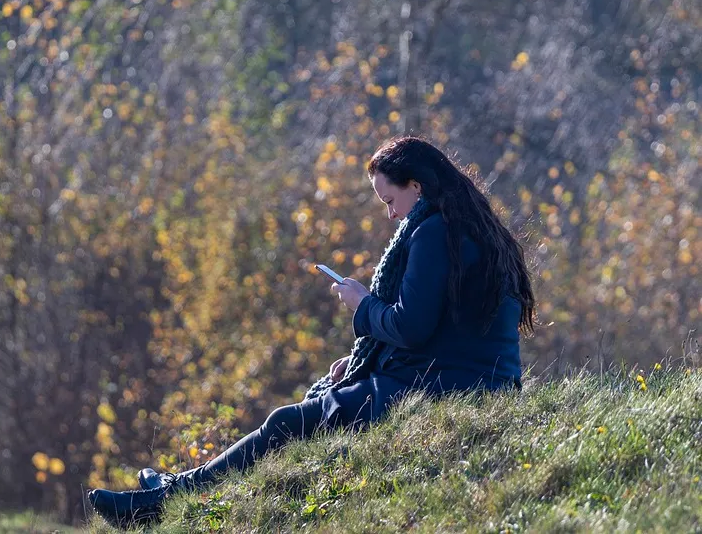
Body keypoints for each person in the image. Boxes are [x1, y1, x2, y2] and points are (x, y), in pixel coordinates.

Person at [87, 136, 536, 528]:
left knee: (286, 421)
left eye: (389, 201)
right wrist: (371, 359)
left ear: (416, 187)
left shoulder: (433, 233)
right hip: (472, 380)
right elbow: (447, 335)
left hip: (451, 388)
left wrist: (363, 305)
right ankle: (175, 488)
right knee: (309, 410)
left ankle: (166, 501)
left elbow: (411, 327)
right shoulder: (468, 228)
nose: (389, 215)